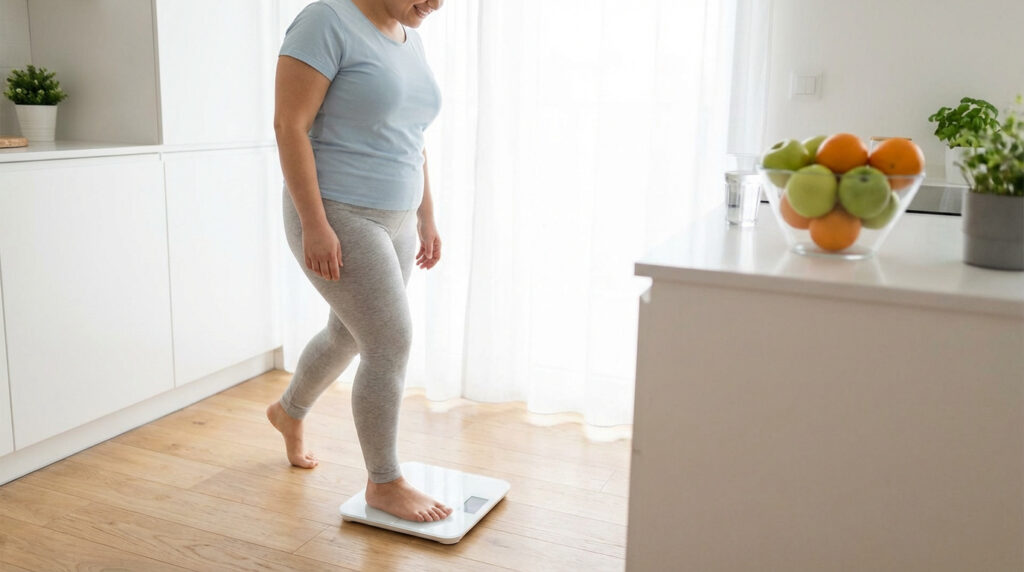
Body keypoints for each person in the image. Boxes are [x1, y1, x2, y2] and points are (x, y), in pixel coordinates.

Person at [266, 0, 450, 523]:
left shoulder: (409, 34)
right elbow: (289, 125)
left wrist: (426, 214)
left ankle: (287, 412)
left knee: (349, 334)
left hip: (396, 214)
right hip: (338, 212)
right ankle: (384, 483)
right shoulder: (326, 21)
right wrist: (315, 223)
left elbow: (413, 138)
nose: (436, 5)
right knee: (388, 342)